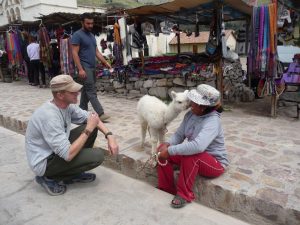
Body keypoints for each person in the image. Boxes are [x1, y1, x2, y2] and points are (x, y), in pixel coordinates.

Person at [25, 74, 119, 196]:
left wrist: (109, 136)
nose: (78, 92)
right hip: (45, 162)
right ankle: (49, 177)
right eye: (73, 91)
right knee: (97, 155)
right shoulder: (49, 116)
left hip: (56, 151)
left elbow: (93, 118)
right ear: (60, 95)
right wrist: (88, 129)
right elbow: (68, 155)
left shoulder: (66, 106)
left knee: (92, 128)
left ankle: (71, 172)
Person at [156, 84, 229, 208]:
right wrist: (168, 145)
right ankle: (167, 187)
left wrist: (170, 151)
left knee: (192, 155)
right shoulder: (190, 114)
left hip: (215, 164)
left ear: (203, 107)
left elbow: (198, 146)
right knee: (161, 149)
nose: (190, 104)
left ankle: (184, 194)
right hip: (197, 155)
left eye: (193, 102)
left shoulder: (213, 121)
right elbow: (179, 135)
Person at [71, 13, 112, 121]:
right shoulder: (77, 35)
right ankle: (100, 113)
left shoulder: (92, 36)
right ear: (82, 23)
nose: (90, 25)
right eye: (88, 23)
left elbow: (96, 52)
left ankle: (81, 111)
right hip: (84, 67)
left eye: (92, 23)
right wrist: (80, 69)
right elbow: (74, 53)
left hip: (92, 66)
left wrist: (105, 62)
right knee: (91, 90)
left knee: (86, 91)